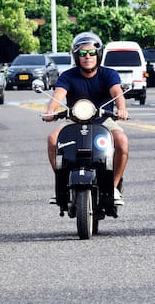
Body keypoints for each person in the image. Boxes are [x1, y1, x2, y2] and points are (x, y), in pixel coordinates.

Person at [43, 32, 129, 206]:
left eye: (91, 53)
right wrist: (50, 111)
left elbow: (117, 93)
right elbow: (58, 95)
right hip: (74, 119)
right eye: (82, 54)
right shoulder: (68, 76)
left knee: (122, 141)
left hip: (103, 120)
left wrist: (122, 109)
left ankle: (113, 187)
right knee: (53, 140)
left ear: (98, 54)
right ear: (76, 56)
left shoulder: (109, 74)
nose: (87, 57)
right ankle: (62, 185)